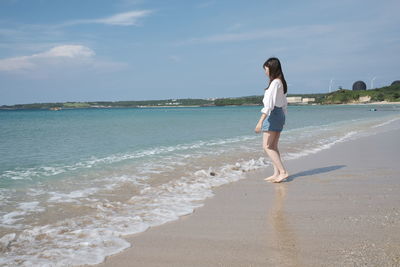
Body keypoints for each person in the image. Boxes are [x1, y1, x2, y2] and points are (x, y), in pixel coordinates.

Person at [254, 57, 289, 183]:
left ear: (271, 69)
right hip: (280, 114)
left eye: (266, 69)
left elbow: (269, 105)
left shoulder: (275, 83)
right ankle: (277, 173)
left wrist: (260, 122)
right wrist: (283, 117)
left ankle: (283, 172)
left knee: (267, 146)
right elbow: (285, 103)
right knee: (273, 146)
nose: (265, 72)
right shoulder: (281, 83)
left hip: (273, 114)